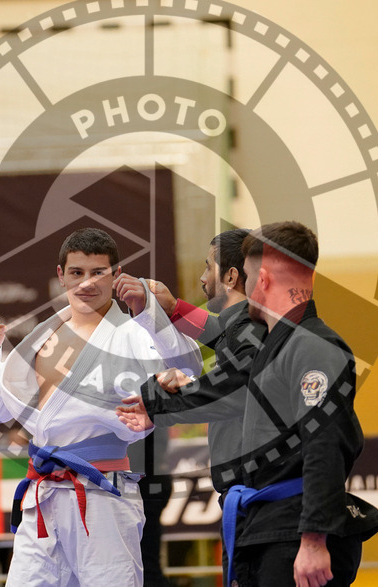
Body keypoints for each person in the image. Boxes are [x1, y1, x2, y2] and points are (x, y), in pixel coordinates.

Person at [0, 227, 202, 587]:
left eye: (98, 272)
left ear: (116, 275)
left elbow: (187, 367)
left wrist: (149, 312)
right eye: (76, 273)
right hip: (42, 493)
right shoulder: (42, 336)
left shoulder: (134, 332)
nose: (86, 283)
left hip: (103, 490)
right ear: (61, 276)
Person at [226, 221, 378, 587]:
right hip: (271, 526)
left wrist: (314, 539)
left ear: (263, 279)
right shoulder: (279, 346)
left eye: (247, 277)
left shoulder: (313, 346)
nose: (244, 288)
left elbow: (325, 442)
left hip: (296, 532)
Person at [114, 228, 268, 583]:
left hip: (258, 496)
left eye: (208, 267)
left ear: (231, 276)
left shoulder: (255, 330)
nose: (201, 278)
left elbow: (224, 395)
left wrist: (157, 401)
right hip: (247, 495)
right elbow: (220, 334)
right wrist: (170, 307)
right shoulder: (248, 328)